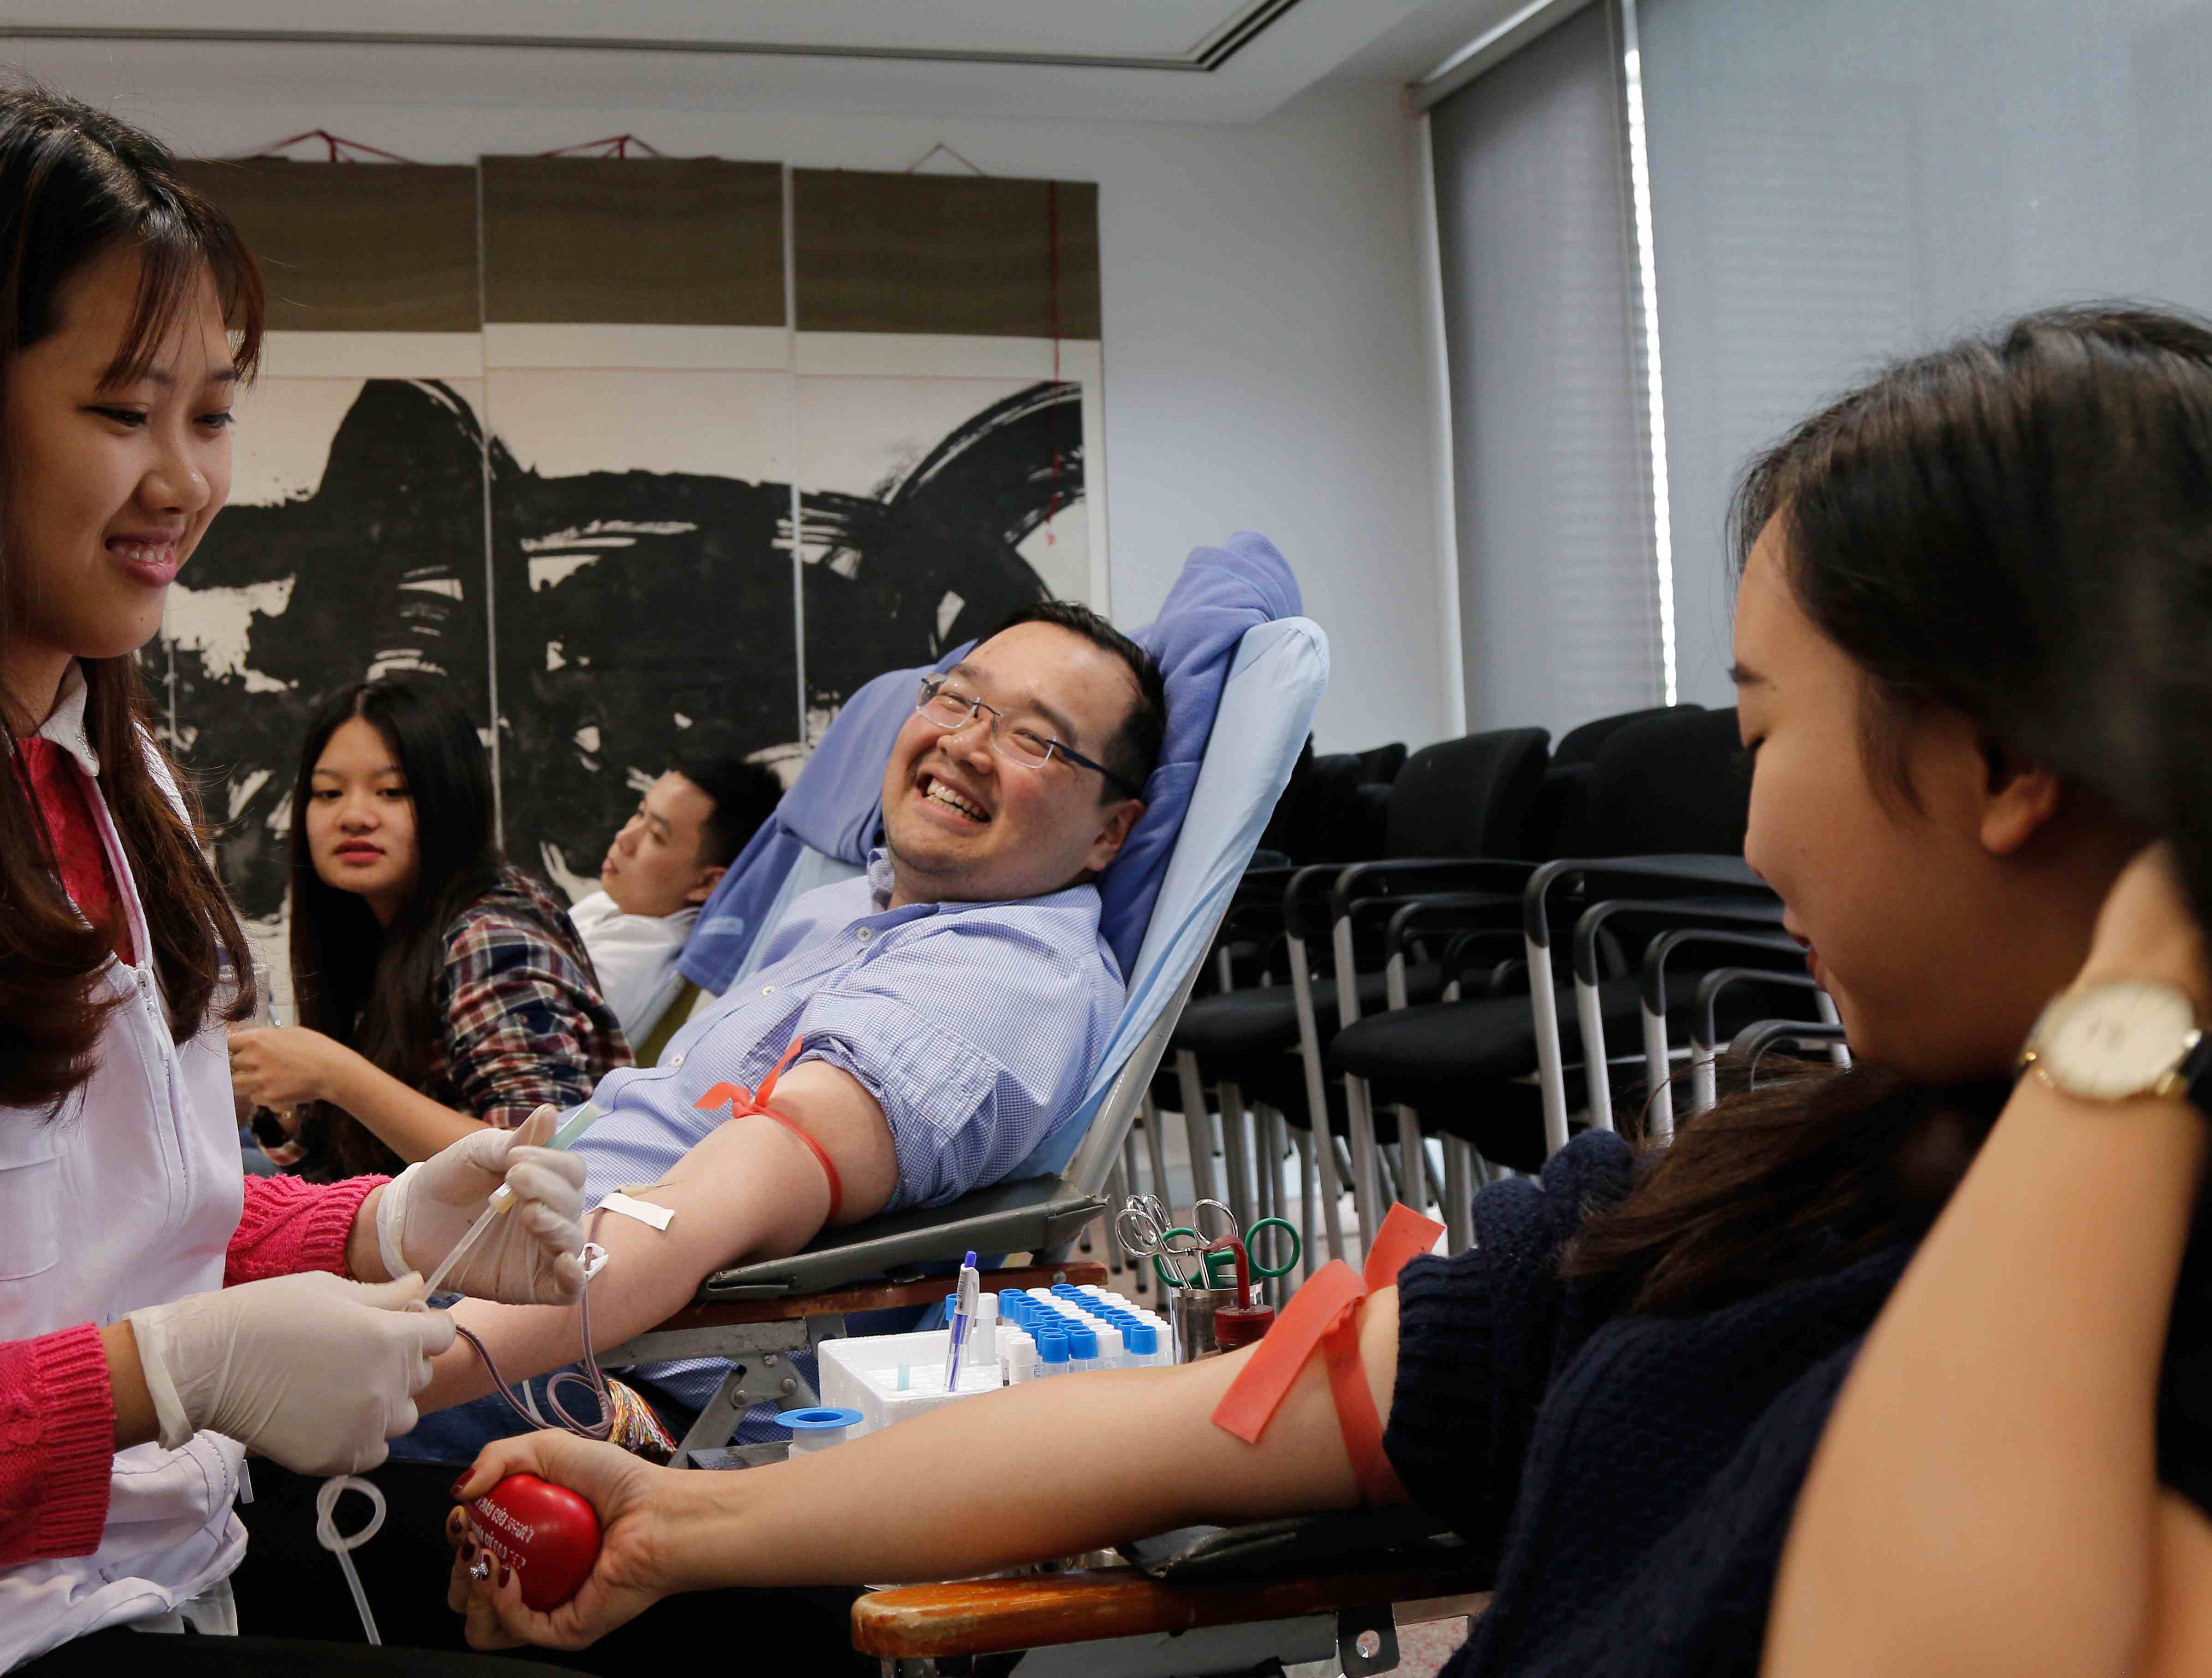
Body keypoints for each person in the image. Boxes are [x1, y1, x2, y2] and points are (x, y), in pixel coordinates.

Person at [438, 308, 2212, 1675]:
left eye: (1759, 725)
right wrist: (693, 1516)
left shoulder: (2131, 1316)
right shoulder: (1749, 1195)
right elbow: (1211, 1413)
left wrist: (2128, 1026)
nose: (1748, 828)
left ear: (2006, 759)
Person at [0, 83, 593, 1678]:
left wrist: (375, 1226)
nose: (186, 481)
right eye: (122, 412)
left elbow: (97, 1232)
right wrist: (160, 1376)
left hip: (146, 1571)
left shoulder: (109, 775)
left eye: (212, 411)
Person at [226, 600, 1163, 1652]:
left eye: (1031, 737)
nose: (965, 742)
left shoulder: (994, 980)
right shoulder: (856, 916)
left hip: (585, 1365)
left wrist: (408, 1358)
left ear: (1108, 831)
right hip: (500, 1260)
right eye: (956, 698)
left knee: (186, 1483)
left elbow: (689, 1214)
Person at [229, 679, 631, 1179]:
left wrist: (338, 1076)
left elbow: (542, 1161)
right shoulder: (372, 922)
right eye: (329, 793)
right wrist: (268, 1086)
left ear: (451, 797)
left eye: (392, 792)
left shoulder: (490, 936)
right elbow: (331, 1156)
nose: (354, 816)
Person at [568, 756, 782, 1048]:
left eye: (656, 836)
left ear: (706, 884)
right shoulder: (612, 906)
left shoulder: (633, 962)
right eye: (639, 813)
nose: (624, 838)